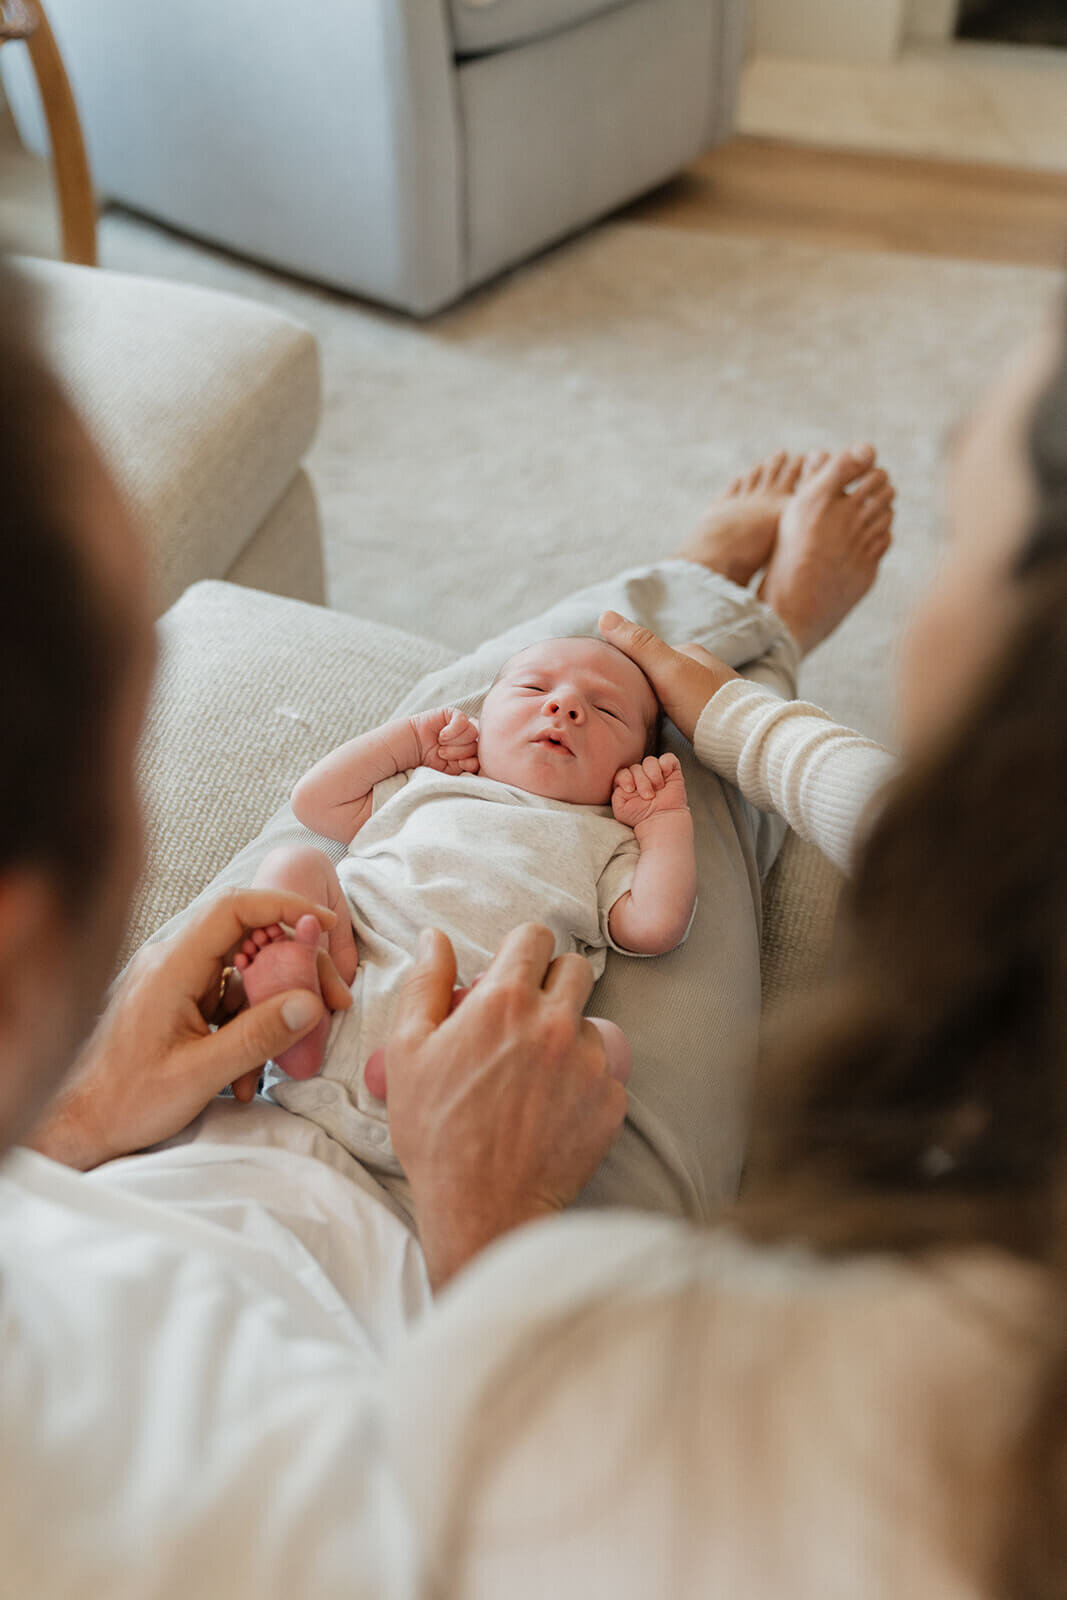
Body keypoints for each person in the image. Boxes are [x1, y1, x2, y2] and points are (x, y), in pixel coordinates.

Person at [0, 233, 952, 1598]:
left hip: (211, 1096)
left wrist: (68, 1123)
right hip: (430, 1218)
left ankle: (686, 610)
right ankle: (742, 632)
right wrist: (485, 1233)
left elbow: (322, 816)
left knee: (345, 817)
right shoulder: (240, 1504)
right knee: (663, 776)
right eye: (123, 740)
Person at [231, 633, 696, 1172]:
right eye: (533, 687)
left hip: (471, 1049)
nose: (565, 707)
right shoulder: (426, 785)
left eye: (607, 711)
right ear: (481, 716)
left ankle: (390, 1056)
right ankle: (295, 1007)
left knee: (608, 1049)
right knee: (295, 866)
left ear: (633, 764)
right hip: (344, 977)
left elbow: (656, 924)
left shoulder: (604, 840)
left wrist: (662, 824)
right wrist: (409, 740)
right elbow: (315, 801)